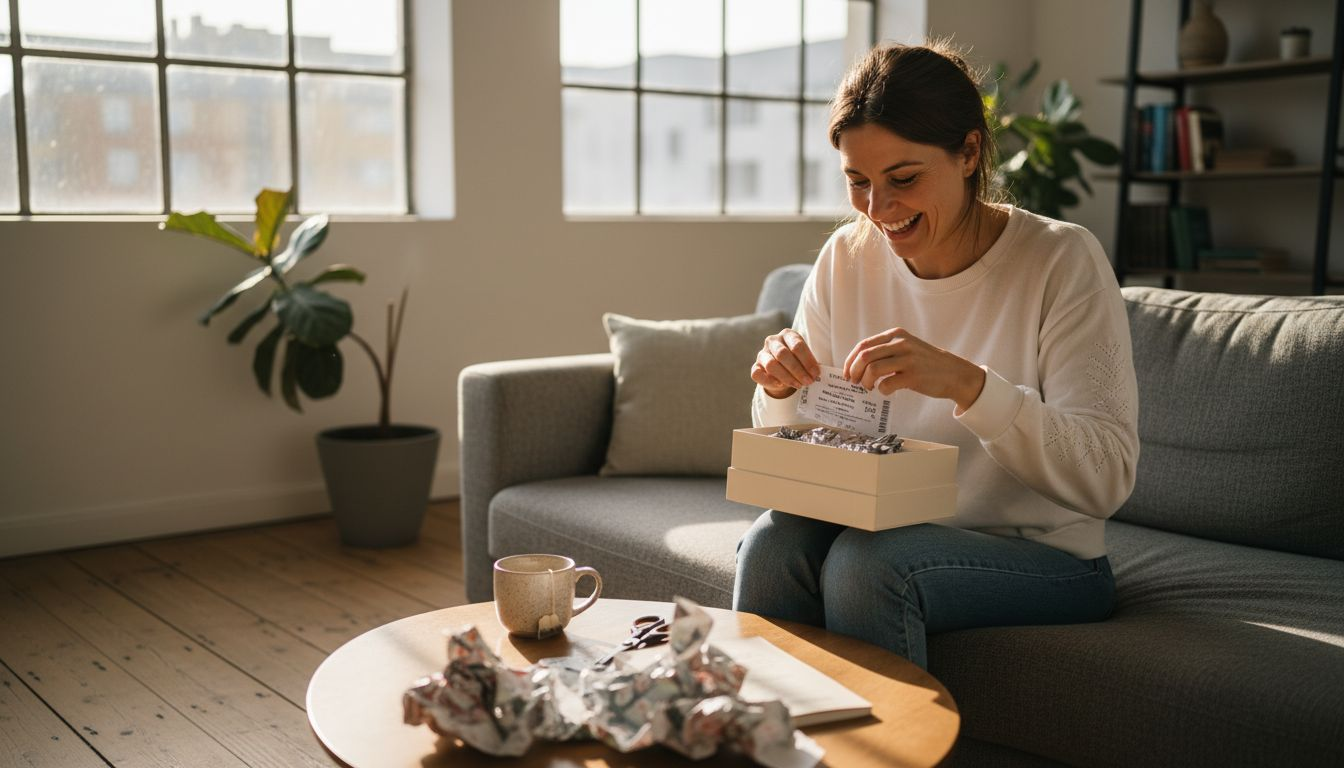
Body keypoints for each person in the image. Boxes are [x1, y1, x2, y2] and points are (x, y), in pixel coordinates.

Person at [732, 41, 1140, 670]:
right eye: (857, 182)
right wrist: (783, 391)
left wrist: (972, 387)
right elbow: (808, 452)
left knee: (867, 567)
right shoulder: (847, 258)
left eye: (904, 178)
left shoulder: (1061, 260)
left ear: (969, 152)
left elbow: (1107, 477)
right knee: (770, 545)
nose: (878, 209)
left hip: (1049, 559)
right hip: (882, 524)